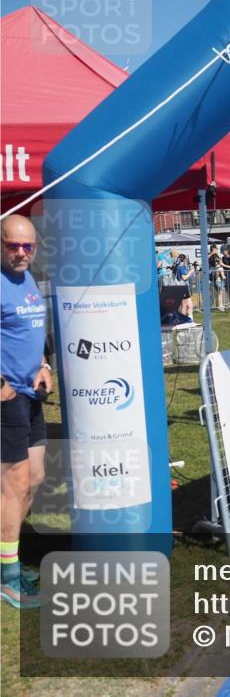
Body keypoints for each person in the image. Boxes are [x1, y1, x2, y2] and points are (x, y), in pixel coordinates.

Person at [1, 215, 50, 608]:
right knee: (13, 485)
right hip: (7, 398)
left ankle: (7, 556)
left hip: (31, 394)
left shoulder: (28, 279)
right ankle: (8, 576)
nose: (20, 252)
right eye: (13, 245)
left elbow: (34, 333)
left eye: (27, 246)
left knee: (35, 478)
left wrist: (45, 365)